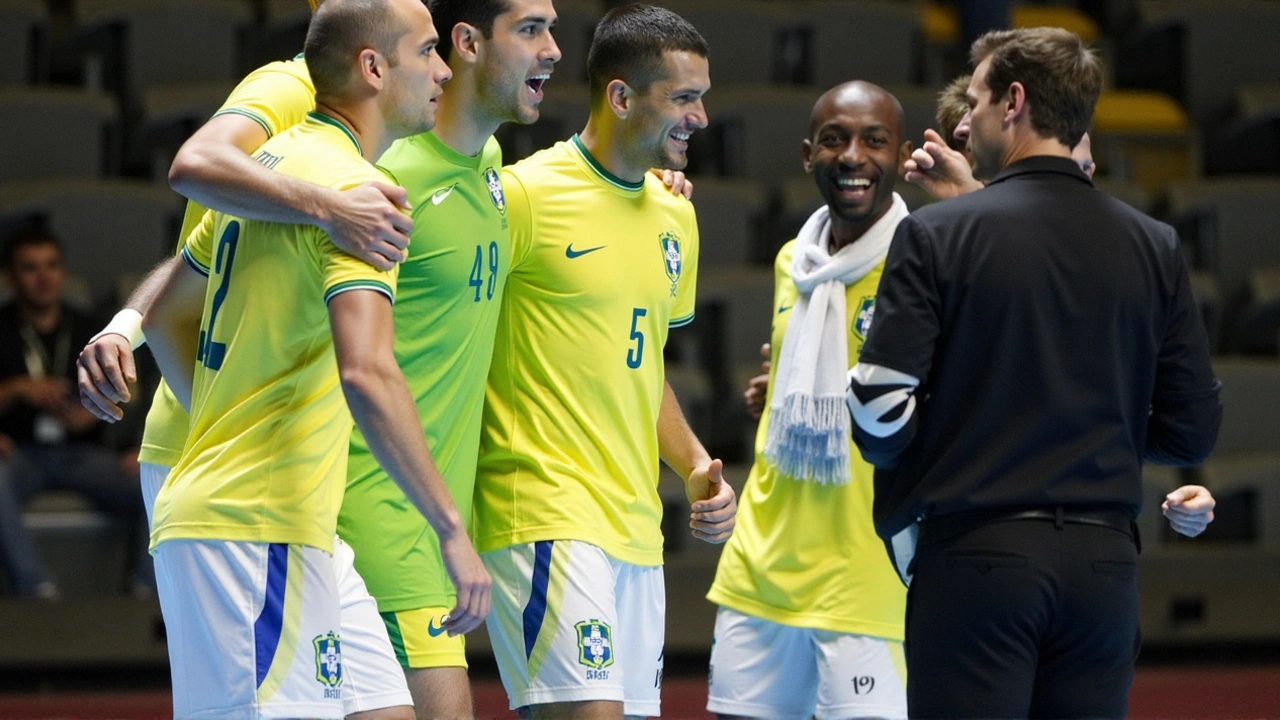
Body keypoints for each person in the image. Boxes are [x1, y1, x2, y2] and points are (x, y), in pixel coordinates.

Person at [847, 27, 1222, 718]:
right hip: (1106, 566)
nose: (965, 120)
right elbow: (1190, 430)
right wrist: (1090, 427)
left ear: (1014, 101)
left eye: (979, 99)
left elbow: (878, 414)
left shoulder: (937, 233)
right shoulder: (1156, 244)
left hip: (978, 560)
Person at [140, 0, 490, 717]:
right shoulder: (358, 195)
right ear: (372, 67)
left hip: (294, 524)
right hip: (253, 526)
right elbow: (367, 371)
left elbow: (167, 315)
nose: (443, 69)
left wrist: (221, 422)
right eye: (427, 51)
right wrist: (451, 528)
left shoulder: (269, 163)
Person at [473, 5, 736, 719]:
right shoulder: (521, 197)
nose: (702, 118)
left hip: (634, 526)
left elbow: (638, 369)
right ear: (620, 97)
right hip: (541, 510)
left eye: (702, 97)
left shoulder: (675, 216)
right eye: (684, 98)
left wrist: (693, 466)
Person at [335, 0, 561, 716]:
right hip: (383, 519)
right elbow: (356, 364)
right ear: (465, 43)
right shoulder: (387, 182)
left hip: (428, 530)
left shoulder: (490, 165)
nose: (553, 49)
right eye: (530, 30)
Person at [705, 81, 911, 720]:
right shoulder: (794, 260)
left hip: (865, 573)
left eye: (874, 141)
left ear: (902, 156)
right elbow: (807, 372)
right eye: (834, 140)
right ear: (806, 154)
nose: (853, 156)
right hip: (762, 564)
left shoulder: (924, 262)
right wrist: (783, 394)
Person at [0, 230, 149, 599]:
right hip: (19, 454)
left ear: (63, 272)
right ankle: (36, 589)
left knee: (154, 482)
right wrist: (18, 388)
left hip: (84, 454)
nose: (43, 277)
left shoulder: (91, 328)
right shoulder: (0, 327)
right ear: (10, 278)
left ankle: (145, 593)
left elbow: (130, 393)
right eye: (30, 268)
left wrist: (97, 414)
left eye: (51, 266)